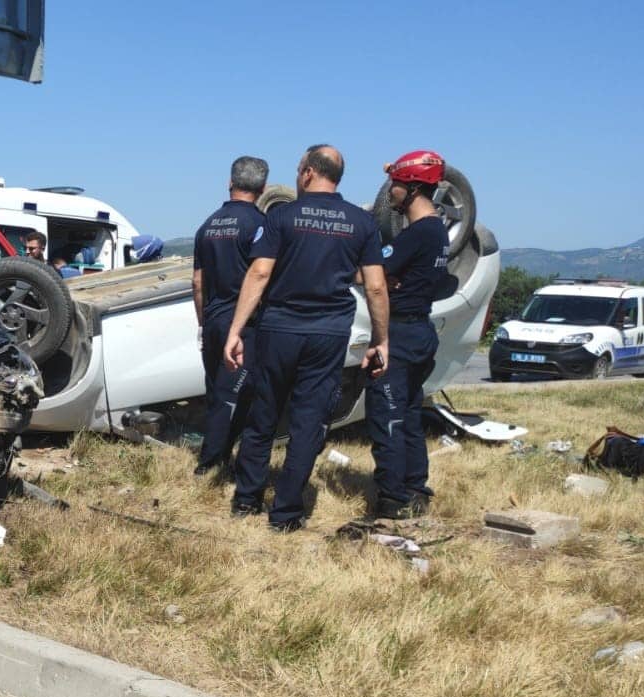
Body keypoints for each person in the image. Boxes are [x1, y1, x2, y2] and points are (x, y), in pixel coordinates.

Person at [224, 145, 391, 531]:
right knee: (307, 423)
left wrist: (235, 331)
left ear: (309, 173)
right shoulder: (362, 224)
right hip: (327, 335)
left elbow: (260, 274)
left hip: (279, 329)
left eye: (299, 168)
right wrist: (381, 340)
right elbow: (377, 288)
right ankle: (285, 514)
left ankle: (246, 500)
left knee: (262, 415)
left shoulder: (282, 216)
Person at [367, 150, 456, 519]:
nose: (391, 191)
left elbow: (369, 274)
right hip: (421, 330)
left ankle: (392, 499)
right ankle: (416, 489)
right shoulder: (437, 231)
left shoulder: (417, 234)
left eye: (397, 184)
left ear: (415, 188)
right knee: (408, 414)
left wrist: (379, 275)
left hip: (401, 333)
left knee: (385, 413)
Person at [192, 155, 268, 477]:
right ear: (262, 187)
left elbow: (197, 282)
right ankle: (210, 465)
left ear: (230, 182)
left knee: (217, 393)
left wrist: (203, 321)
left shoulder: (207, 225)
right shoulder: (262, 225)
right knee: (234, 396)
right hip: (244, 324)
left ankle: (218, 457)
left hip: (212, 319)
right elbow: (263, 274)